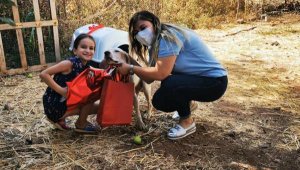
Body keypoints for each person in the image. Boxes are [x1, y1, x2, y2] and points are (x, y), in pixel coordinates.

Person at [117, 11, 228, 140]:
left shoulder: (167, 36)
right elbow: (148, 78)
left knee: (169, 86)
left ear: (154, 22)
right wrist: (129, 60)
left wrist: (130, 68)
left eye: (143, 28)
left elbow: (161, 73)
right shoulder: (156, 45)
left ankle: (187, 122)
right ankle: (188, 105)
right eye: (136, 32)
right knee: (161, 98)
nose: (140, 34)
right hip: (201, 81)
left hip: (214, 83)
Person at [40, 33, 99, 133]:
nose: (88, 50)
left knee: (99, 107)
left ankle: (60, 119)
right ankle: (81, 124)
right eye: (83, 47)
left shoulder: (86, 66)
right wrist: (62, 91)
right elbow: (44, 74)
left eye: (91, 48)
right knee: (90, 96)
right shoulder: (69, 64)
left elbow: (98, 72)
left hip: (61, 103)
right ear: (75, 50)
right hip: (54, 105)